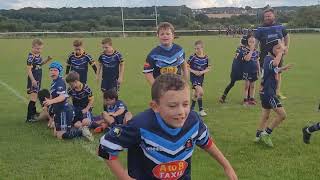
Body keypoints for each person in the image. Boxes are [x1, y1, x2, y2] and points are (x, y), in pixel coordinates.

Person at [98, 74, 237, 180]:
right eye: (172, 105)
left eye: (186, 104)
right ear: (155, 106)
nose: (181, 112)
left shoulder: (194, 122)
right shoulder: (140, 125)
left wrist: (227, 166)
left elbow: (207, 143)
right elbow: (105, 147)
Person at [254, 39, 292, 147]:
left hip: (264, 92)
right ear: (272, 49)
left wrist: (283, 68)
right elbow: (274, 64)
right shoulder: (268, 59)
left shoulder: (268, 59)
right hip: (268, 92)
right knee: (282, 115)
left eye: (280, 48)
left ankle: (258, 135)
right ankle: (266, 133)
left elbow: (273, 69)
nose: (280, 50)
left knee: (265, 115)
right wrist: (281, 52)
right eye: (277, 48)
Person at [43, 61, 92, 141]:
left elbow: (62, 97)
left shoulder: (60, 83)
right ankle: (73, 128)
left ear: (60, 72)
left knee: (60, 136)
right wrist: (49, 103)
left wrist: (51, 102)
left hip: (64, 111)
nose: (52, 72)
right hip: (59, 110)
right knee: (56, 134)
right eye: (51, 70)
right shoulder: (54, 82)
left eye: (55, 70)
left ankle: (80, 131)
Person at [255, 8, 290, 99]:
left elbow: (287, 37)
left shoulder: (280, 27)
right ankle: (262, 91)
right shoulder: (260, 29)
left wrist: (286, 47)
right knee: (265, 74)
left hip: (278, 55)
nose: (267, 18)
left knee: (278, 73)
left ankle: (277, 92)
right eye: (265, 16)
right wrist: (254, 53)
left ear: (274, 16)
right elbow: (256, 42)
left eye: (269, 16)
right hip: (265, 56)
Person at [26, 38, 52, 122]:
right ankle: (29, 117)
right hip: (33, 80)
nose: (39, 50)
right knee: (33, 97)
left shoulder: (38, 56)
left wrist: (47, 60)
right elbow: (29, 70)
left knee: (35, 95)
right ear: (32, 47)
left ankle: (33, 113)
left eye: (40, 48)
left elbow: (39, 64)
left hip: (38, 79)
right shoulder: (31, 57)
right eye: (37, 48)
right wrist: (33, 80)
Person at [66, 71, 94, 141]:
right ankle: (83, 130)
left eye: (71, 84)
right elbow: (67, 99)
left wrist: (87, 109)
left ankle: (86, 127)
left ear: (75, 81)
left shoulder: (86, 89)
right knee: (76, 124)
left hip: (85, 109)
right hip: (76, 109)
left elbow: (91, 100)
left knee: (86, 121)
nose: (70, 86)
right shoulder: (70, 90)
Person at [188, 40, 211, 116]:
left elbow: (209, 68)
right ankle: (201, 110)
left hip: (201, 78)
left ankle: (191, 109)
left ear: (202, 48)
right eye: (195, 48)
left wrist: (202, 72)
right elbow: (186, 66)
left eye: (198, 48)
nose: (196, 50)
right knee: (200, 92)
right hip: (194, 77)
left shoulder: (206, 58)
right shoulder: (193, 57)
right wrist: (194, 71)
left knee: (196, 94)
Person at [242, 33, 260, 105]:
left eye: (253, 42)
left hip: (254, 70)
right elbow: (247, 59)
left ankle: (252, 98)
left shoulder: (256, 51)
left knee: (253, 85)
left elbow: (257, 60)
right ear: (247, 42)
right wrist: (251, 50)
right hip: (247, 70)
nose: (252, 43)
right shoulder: (245, 50)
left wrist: (259, 70)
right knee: (247, 86)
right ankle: (245, 100)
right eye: (250, 41)